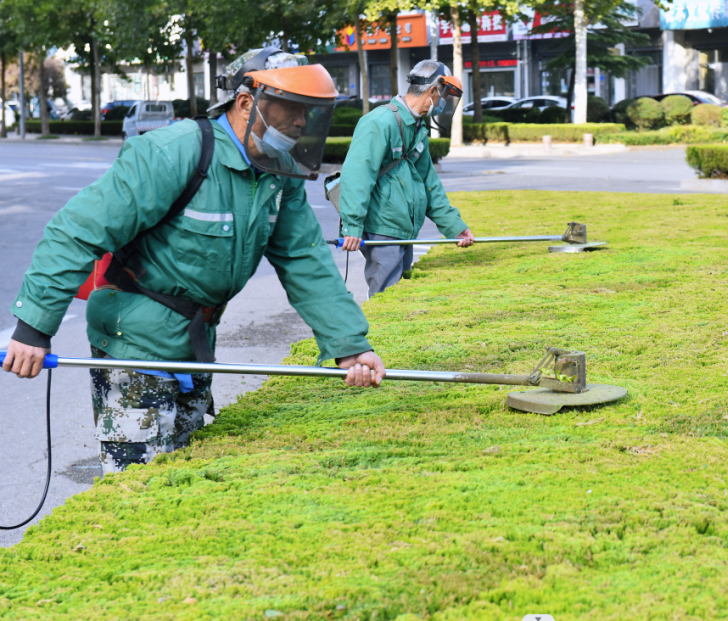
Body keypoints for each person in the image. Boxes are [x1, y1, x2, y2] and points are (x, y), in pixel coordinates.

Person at [2, 48, 387, 474]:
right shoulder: (173, 154)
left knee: (182, 477)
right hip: (135, 342)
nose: (301, 122)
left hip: (195, 342)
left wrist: (350, 345)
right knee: (140, 485)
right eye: (292, 108)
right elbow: (77, 231)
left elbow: (304, 260)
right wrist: (33, 329)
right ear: (246, 102)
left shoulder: (279, 174)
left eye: (308, 112)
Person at [337, 60, 475, 294]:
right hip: (383, 226)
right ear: (433, 91)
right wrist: (352, 225)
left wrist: (453, 226)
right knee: (388, 298)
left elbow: (429, 182)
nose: (444, 103)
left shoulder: (417, 127)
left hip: (404, 228)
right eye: (443, 95)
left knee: (399, 296)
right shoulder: (380, 122)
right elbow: (357, 175)